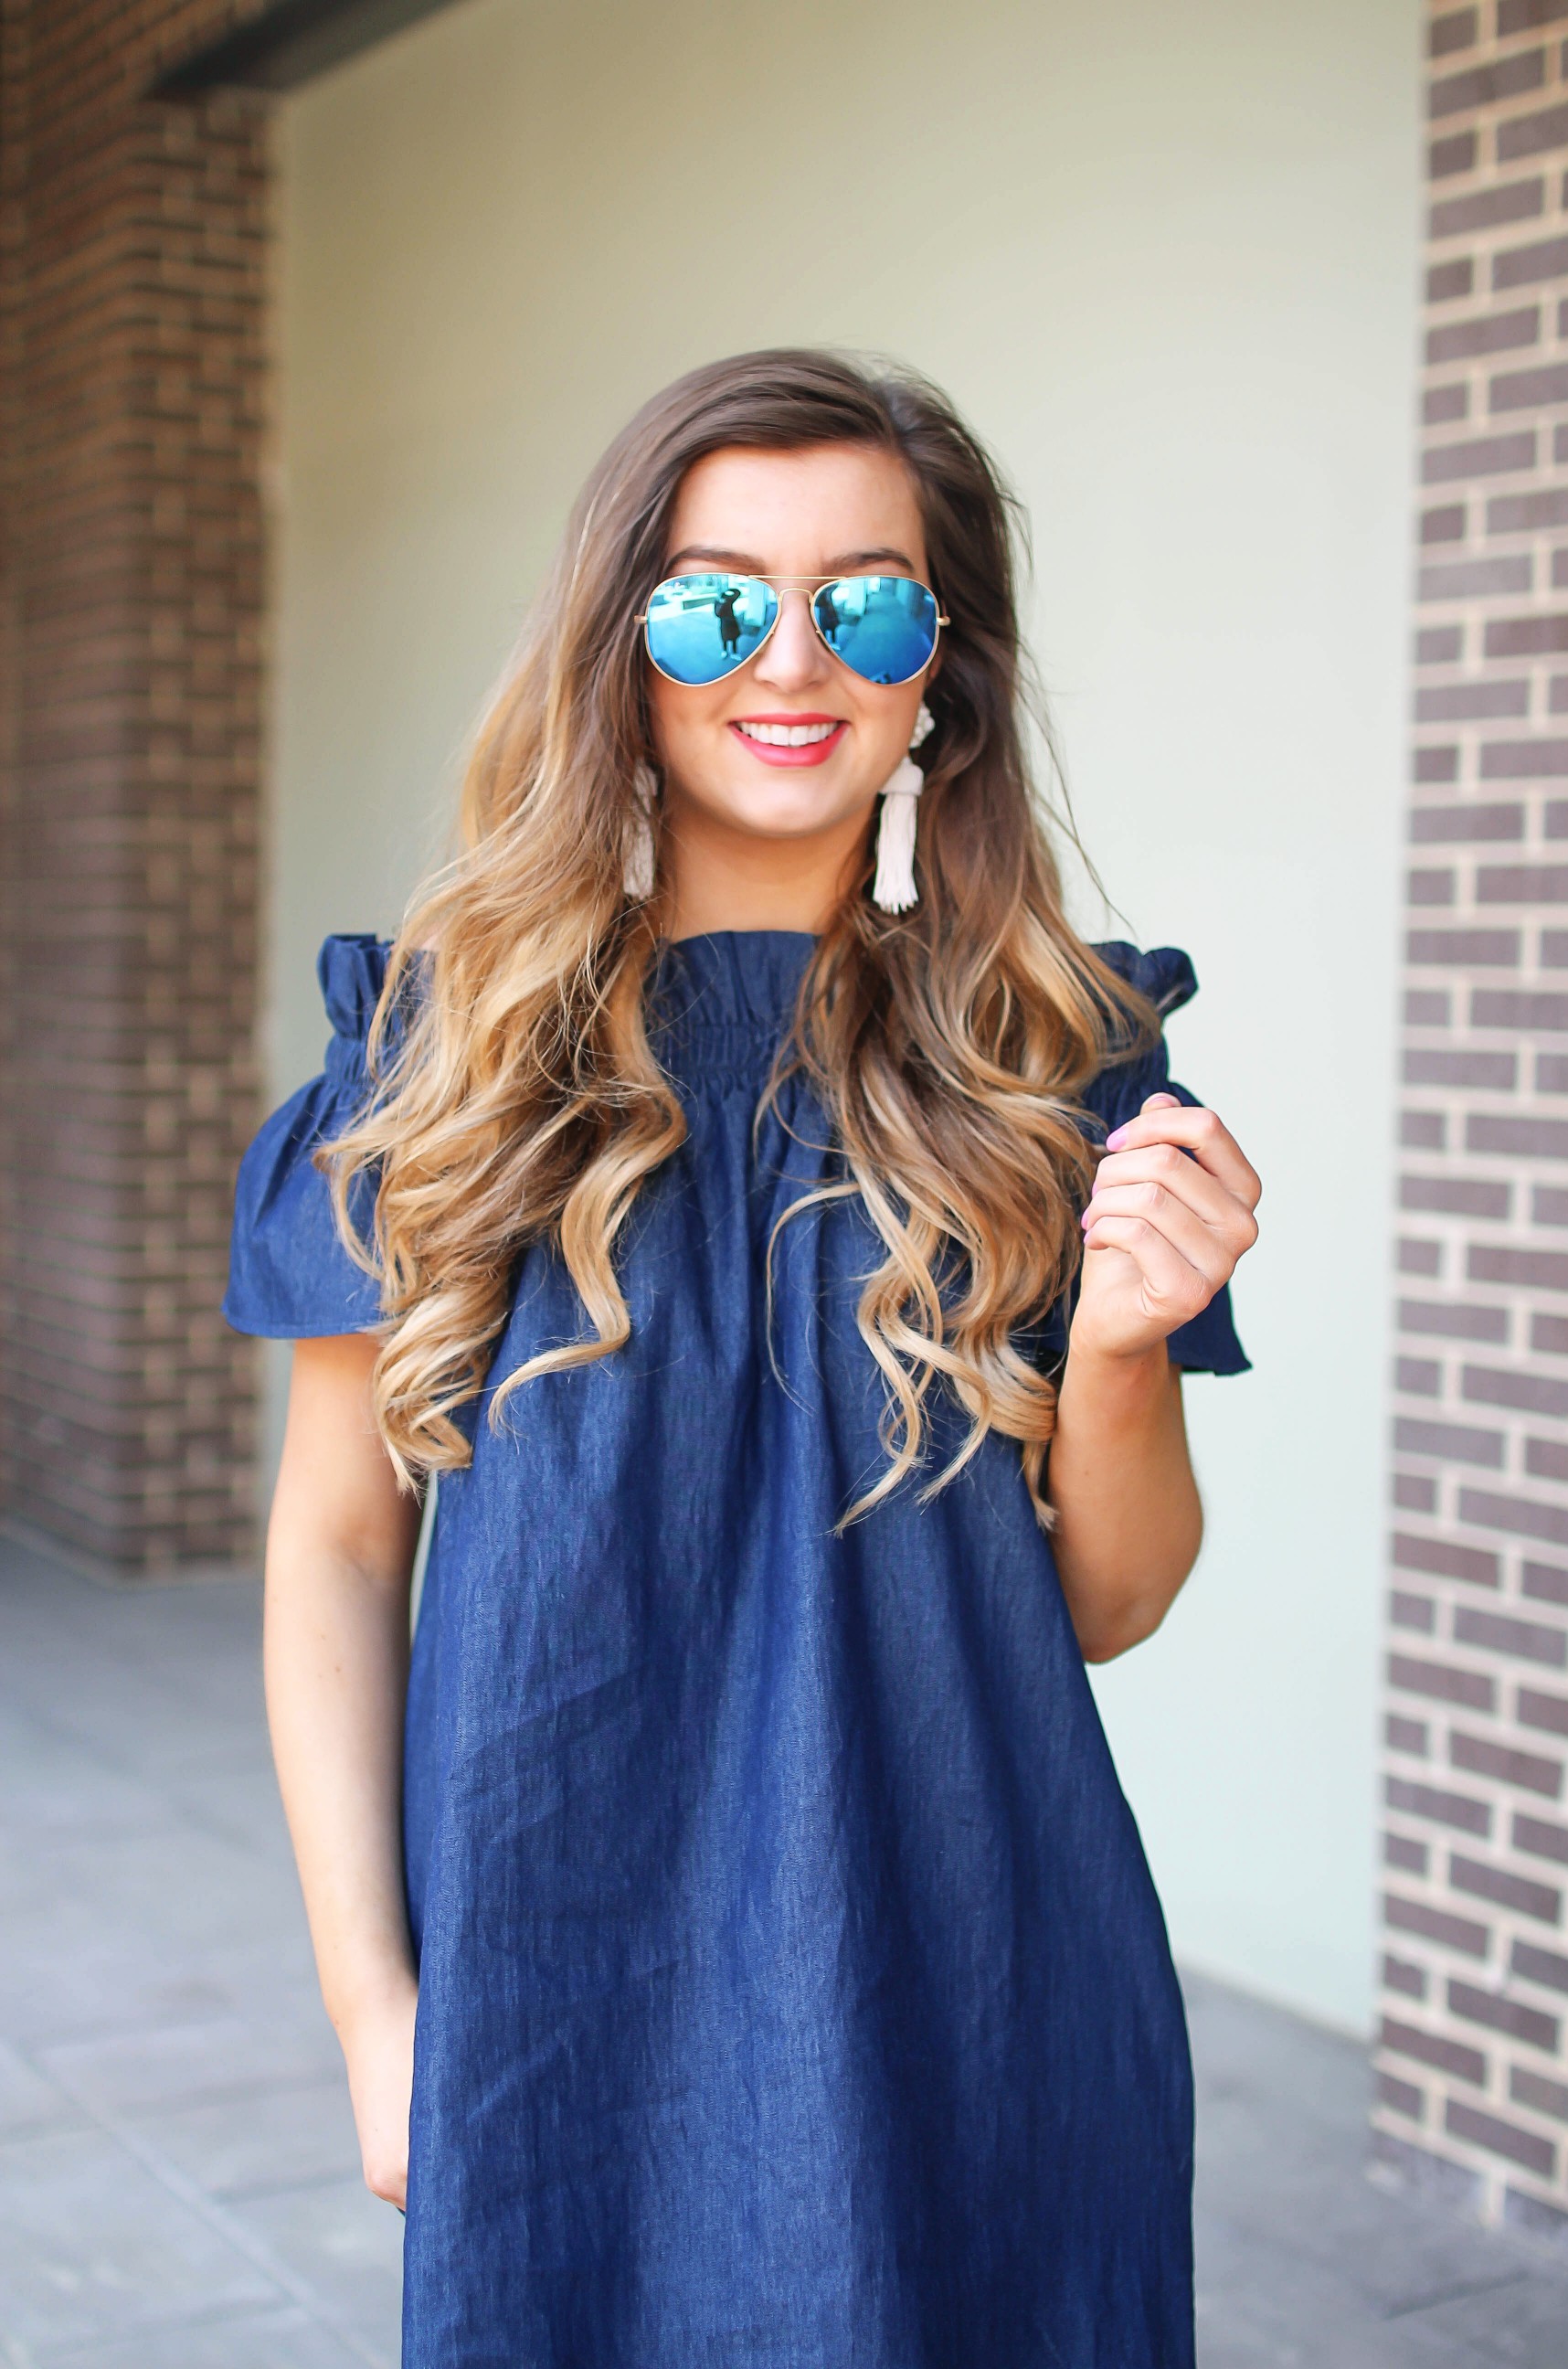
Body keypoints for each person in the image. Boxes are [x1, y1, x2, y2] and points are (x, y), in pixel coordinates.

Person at [225, 347, 1260, 2368]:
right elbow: (337, 1551)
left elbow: (1107, 1610)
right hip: (560, 2017)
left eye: (865, 597)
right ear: (625, 648)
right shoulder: (435, 1070)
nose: (794, 657)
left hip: (977, 1993)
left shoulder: (1063, 1070)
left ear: (937, 664)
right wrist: (380, 2018)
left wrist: (1123, 1353)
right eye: (715, 600)